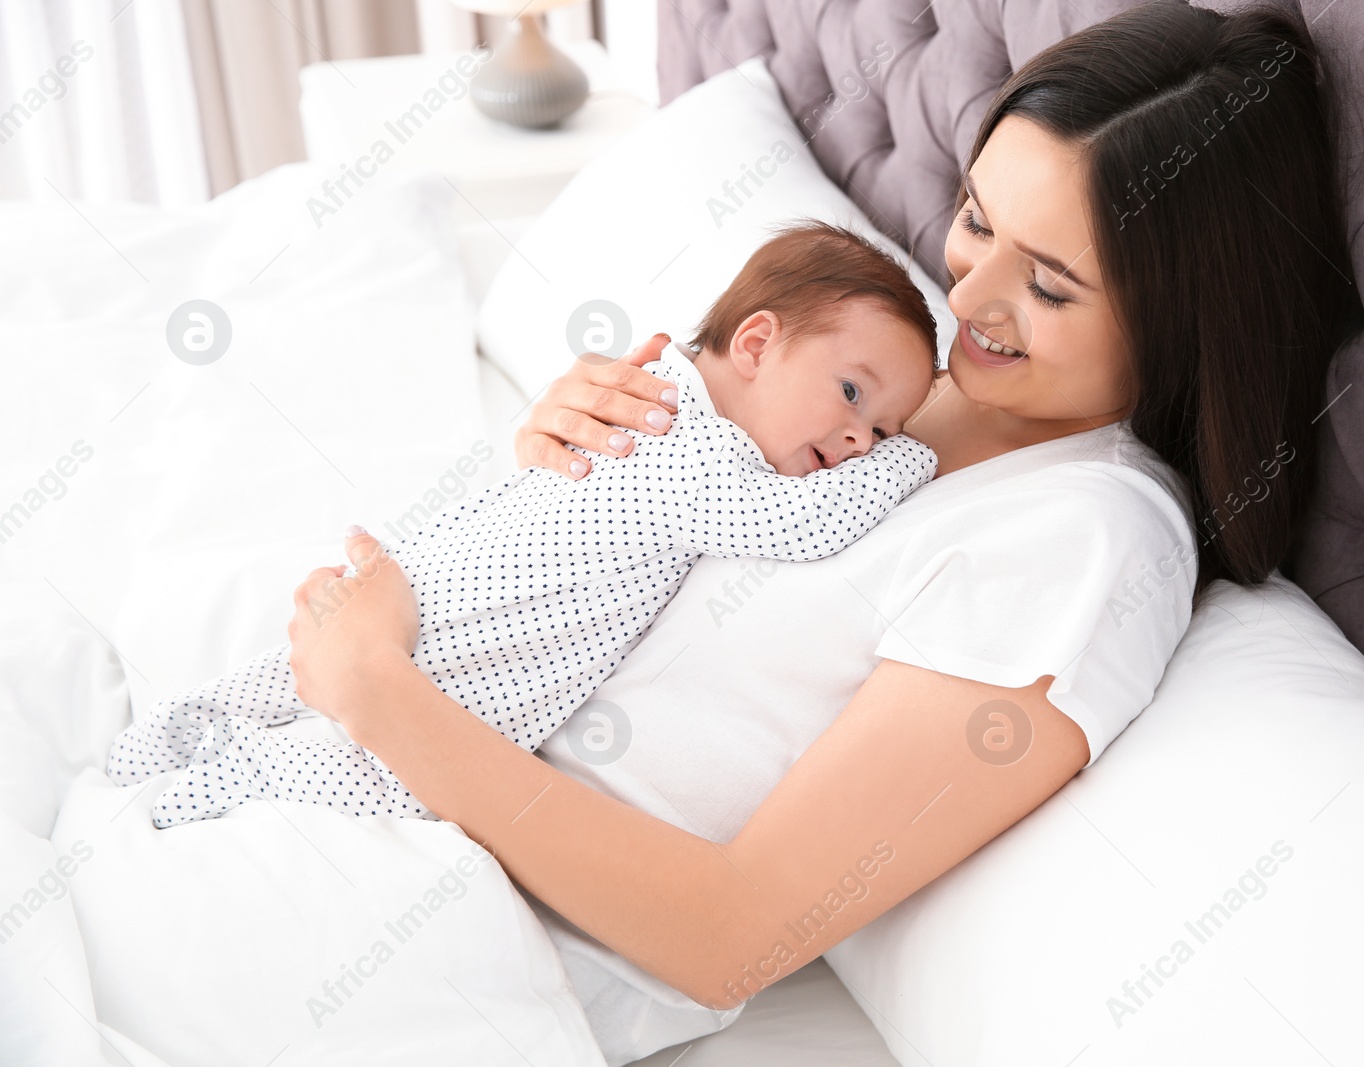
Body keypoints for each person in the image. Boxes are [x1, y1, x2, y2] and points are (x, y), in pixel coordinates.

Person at [276, 3, 1360, 1062]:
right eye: (979, 219)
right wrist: (571, 455)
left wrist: (377, 687)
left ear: (1187, 316)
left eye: (1048, 285)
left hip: (464, 928)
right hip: (366, 765)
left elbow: (732, 932)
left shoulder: (1087, 542)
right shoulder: (892, 374)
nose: (967, 295)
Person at [105, 221, 941, 828]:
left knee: (274, 681)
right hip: (469, 652)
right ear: (756, 343)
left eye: (885, 432)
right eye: (853, 395)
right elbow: (806, 525)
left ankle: (145, 752)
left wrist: (879, 425)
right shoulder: (697, 452)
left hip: (428, 579)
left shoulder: (653, 390)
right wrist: (917, 455)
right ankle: (178, 808)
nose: (861, 442)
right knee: (378, 774)